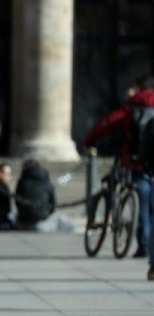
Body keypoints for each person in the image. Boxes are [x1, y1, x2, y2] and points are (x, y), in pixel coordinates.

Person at [84, 75, 154, 263]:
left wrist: (89, 141)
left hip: (135, 163)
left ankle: (144, 246)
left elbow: (106, 125)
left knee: (143, 203)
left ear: (138, 88)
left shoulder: (131, 108)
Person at [14, 159, 73, 232]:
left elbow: (18, 202)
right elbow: (52, 204)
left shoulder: (21, 182)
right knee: (69, 225)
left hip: (23, 223)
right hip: (42, 222)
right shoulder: (45, 181)